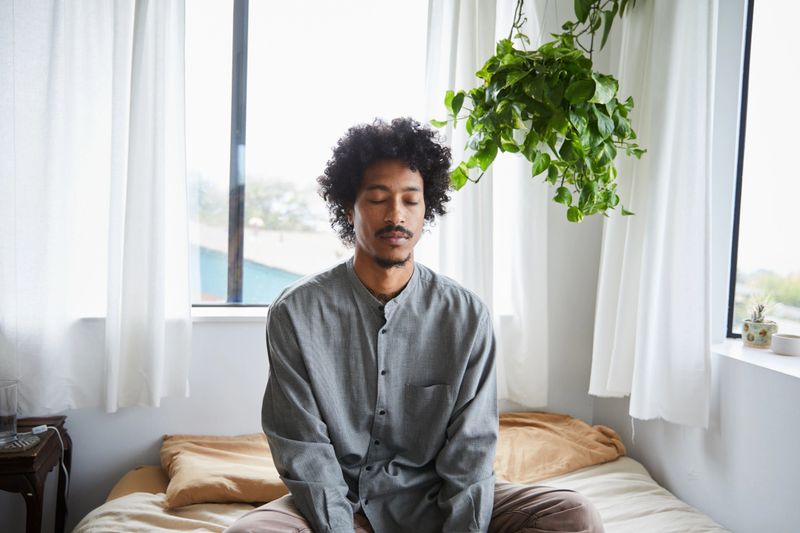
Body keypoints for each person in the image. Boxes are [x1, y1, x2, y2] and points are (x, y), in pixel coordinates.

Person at [225, 118, 603, 533]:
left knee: (573, 514)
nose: (395, 215)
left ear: (428, 208)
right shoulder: (296, 312)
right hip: (340, 504)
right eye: (377, 199)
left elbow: (470, 452)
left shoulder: (466, 315)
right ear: (348, 208)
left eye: (410, 199)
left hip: (437, 500)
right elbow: (303, 448)